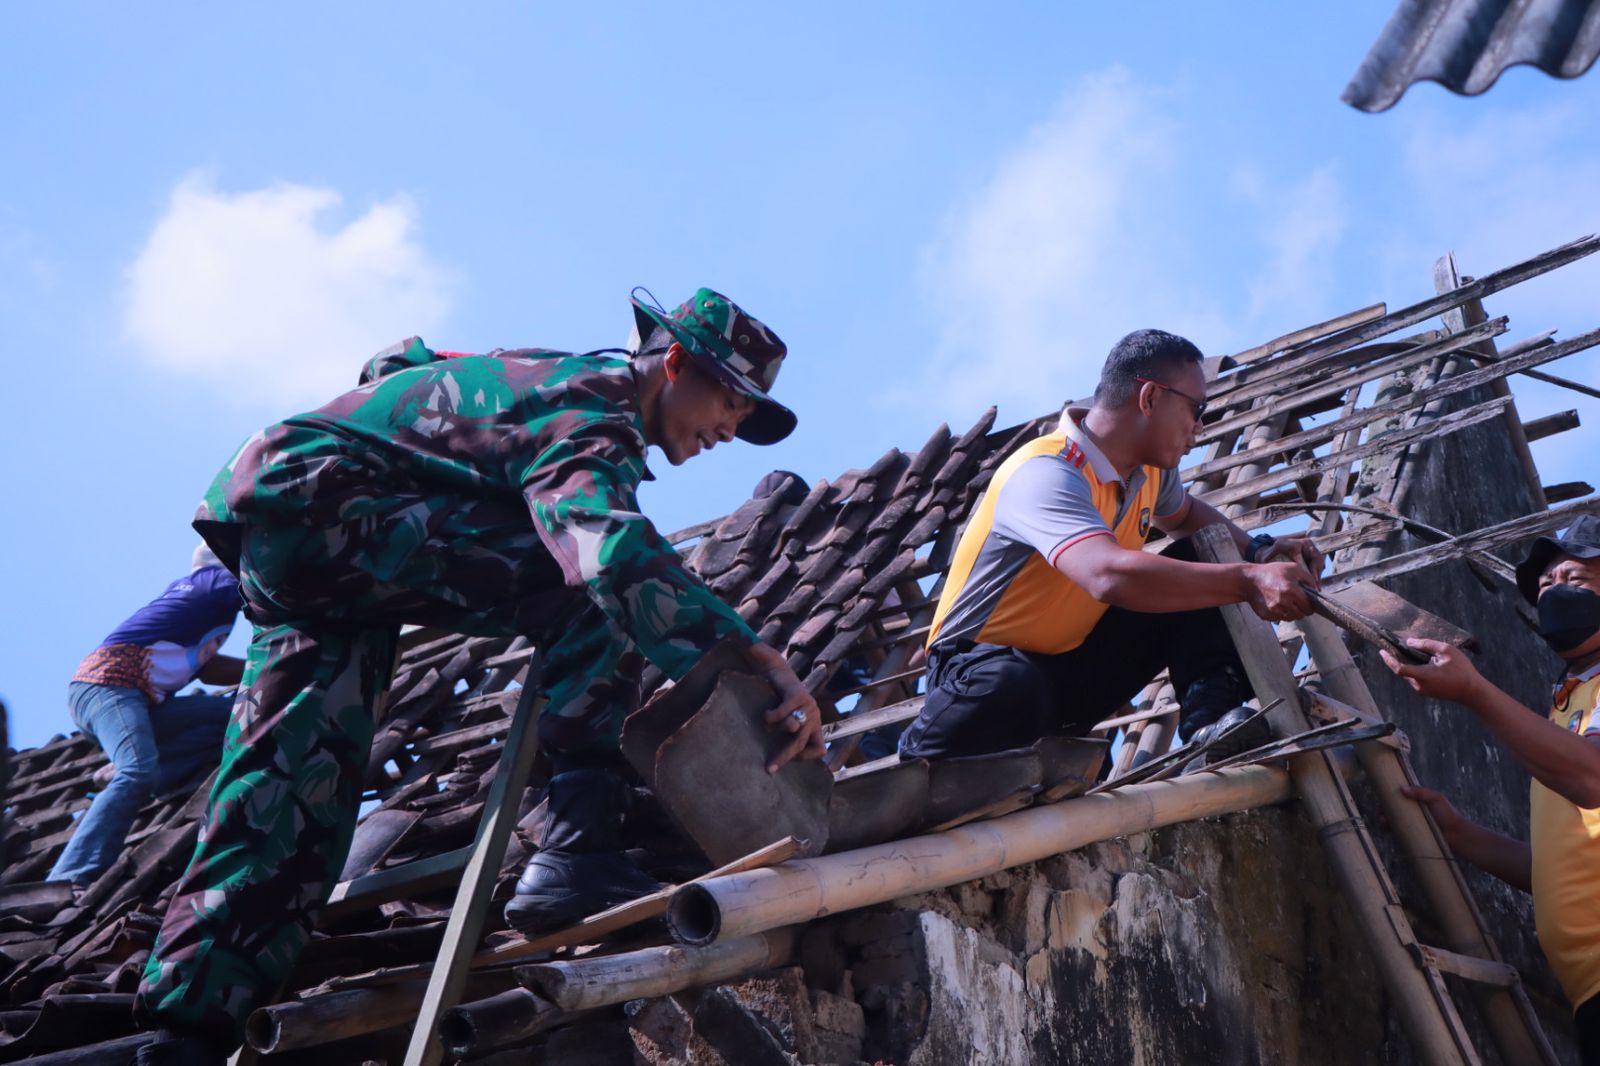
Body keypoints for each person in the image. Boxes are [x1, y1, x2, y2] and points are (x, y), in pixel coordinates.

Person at [131, 289, 823, 1065]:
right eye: (729, 401)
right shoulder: (595, 406)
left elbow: (394, 364)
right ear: (675, 363)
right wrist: (756, 658)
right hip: (329, 508)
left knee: (290, 786)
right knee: (600, 583)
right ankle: (576, 850)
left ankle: (188, 1027)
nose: (730, 430)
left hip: (285, 531)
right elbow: (607, 554)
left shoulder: (535, 378)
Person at [899, 329, 1322, 764]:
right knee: (1012, 684)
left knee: (1203, 557)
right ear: (1150, 397)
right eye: (1197, 409)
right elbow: (1107, 575)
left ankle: (1212, 726)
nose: (1200, 426)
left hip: (1067, 669)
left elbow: (1185, 516)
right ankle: (925, 750)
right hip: (979, 674)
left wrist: (1258, 552)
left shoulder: (1150, 470)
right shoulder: (1046, 471)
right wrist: (1249, 579)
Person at [1387, 515, 1600, 1065]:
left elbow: (1593, 777)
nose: (1554, 594)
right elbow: (1557, 869)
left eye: (1574, 578)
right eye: (1545, 586)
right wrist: (1460, 835)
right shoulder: (1566, 712)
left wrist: (1474, 692)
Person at [49, 544, 243, 887]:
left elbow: (209, 670)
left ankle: (133, 766)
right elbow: (270, 590)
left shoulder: (209, 602)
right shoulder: (213, 583)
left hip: (138, 702)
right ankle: (69, 877)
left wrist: (270, 666)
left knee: (238, 717)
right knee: (137, 772)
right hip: (108, 689)